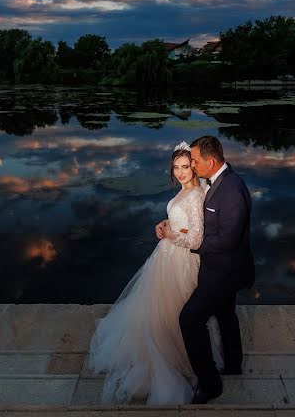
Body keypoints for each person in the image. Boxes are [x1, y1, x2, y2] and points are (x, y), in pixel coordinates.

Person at [88, 141, 214, 405]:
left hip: (181, 262)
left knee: (176, 312)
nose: (180, 172)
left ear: (193, 166)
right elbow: (183, 225)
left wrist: (170, 234)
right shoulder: (183, 191)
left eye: (185, 167)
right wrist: (166, 223)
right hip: (165, 258)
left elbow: (196, 239)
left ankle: (178, 359)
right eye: (176, 167)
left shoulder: (196, 196)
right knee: (155, 311)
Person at [157, 135, 254, 404]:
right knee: (225, 315)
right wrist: (172, 225)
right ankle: (233, 365)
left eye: (195, 162)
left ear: (210, 162)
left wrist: (186, 242)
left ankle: (211, 384)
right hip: (223, 265)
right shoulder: (219, 181)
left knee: (189, 319)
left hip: (223, 270)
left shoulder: (231, 191)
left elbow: (227, 240)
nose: (193, 166)